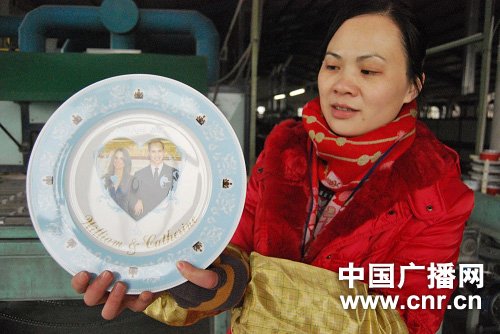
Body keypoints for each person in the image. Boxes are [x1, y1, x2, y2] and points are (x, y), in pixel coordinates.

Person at [71, 1, 474, 333]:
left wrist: (244, 281)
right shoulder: (285, 150)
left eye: (368, 71)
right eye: (332, 66)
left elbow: (402, 322)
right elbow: (225, 253)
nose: (342, 84)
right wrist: (160, 279)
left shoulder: (435, 188)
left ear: (412, 86)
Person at [129, 139, 178, 220]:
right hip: (144, 218)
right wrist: (137, 200)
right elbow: (131, 196)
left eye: (159, 151)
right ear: (149, 153)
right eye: (153, 151)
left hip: (167, 220)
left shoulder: (174, 173)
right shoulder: (139, 174)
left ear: (164, 152)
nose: (157, 155)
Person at [102, 148, 133, 213]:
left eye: (121, 159)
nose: (118, 161)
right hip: (107, 216)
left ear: (126, 162)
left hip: (124, 218)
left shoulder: (131, 180)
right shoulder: (105, 178)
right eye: (116, 158)